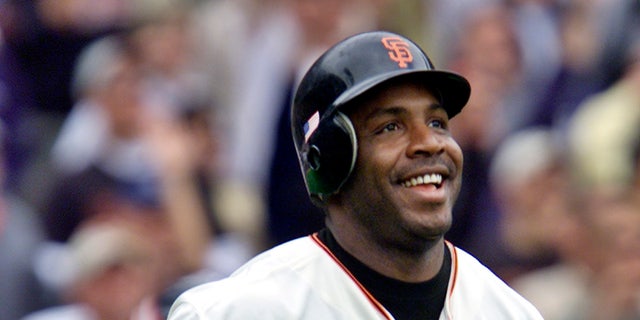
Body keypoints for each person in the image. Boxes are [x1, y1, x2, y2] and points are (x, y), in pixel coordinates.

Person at [167, 31, 543, 319]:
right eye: (390, 127)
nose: (430, 143)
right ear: (329, 162)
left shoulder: (507, 311)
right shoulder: (245, 309)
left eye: (437, 122)